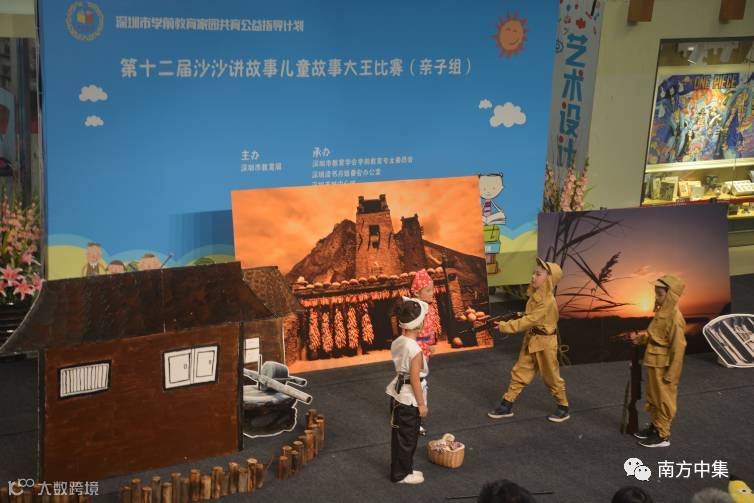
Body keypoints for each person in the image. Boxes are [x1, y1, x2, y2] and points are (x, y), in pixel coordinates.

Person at [488, 258, 569, 423]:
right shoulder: (535, 297)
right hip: (532, 339)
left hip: (545, 344)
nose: (533, 276)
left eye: (538, 274)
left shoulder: (547, 301)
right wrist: (518, 315)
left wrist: (505, 326)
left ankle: (563, 406)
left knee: (551, 376)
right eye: (534, 273)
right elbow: (530, 316)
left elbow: (529, 321)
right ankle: (507, 404)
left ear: (549, 280)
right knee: (520, 371)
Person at [626, 275, 686, 448]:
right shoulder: (662, 314)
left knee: (664, 399)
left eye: (660, 294)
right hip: (654, 362)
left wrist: (672, 374)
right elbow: (658, 337)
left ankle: (662, 435)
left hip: (663, 366)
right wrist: (641, 339)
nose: (656, 297)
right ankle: (655, 426)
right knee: (653, 397)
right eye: (656, 293)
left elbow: (678, 348)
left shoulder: (675, 317)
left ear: (671, 295)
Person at [386, 297, 429, 484]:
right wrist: (421, 404)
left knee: (399, 436)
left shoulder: (398, 341)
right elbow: (415, 380)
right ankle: (401, 475)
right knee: (408, 438)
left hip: (398, 394)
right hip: (409, 399)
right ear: (419, 325)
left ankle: (403, 470)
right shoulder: (415, 350)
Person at [410, 269, 437, 436]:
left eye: (432, 289)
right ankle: (415, 418)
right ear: (417, 293)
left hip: (424, 351)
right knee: (417, 383)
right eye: (428, 290)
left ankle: (416, 414)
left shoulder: (428, 307)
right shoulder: (415, 309)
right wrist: (423, 346)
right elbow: (412, 333)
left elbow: (429, 330)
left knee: (421, 381)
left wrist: (430, 343)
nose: (432, 293)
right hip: (416, 352)